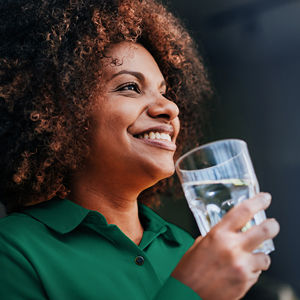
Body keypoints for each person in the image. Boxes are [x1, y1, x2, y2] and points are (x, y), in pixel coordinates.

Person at [0, 0, 279, 299]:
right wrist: (191, 289)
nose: (169, 107)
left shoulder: (186, 246)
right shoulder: (14, 250)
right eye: (130, 87)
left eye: (164, 92)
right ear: (59, 112)